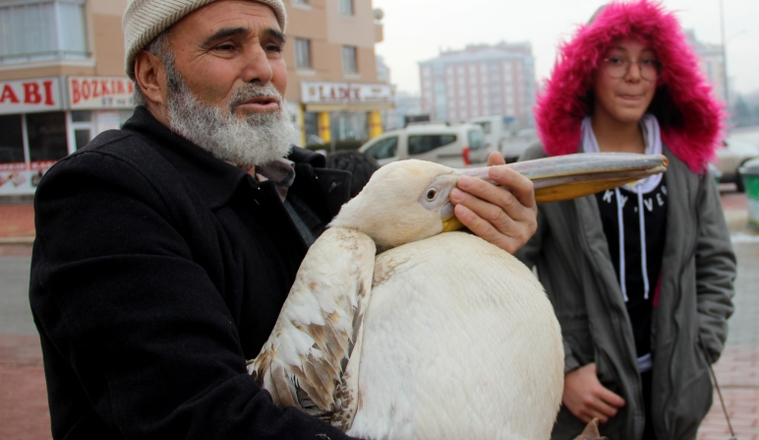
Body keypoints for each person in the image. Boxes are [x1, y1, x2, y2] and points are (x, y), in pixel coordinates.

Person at [28, 0, 538, 438]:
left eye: (272, 47)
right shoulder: (104, 193)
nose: (263, 69)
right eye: (227, 47)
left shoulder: (316, 186)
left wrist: (472, 237)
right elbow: (198, 416)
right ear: (152, 76)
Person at [515, 1, 736, 439]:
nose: (635, 75)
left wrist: (699, 348)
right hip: (586, 404)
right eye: (616, 60)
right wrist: (563, 367)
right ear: (587, 68)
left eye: (648, 61)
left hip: (674, 394)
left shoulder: (686, 163)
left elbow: (716, 264)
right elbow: (508, 273)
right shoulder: (548, 162)